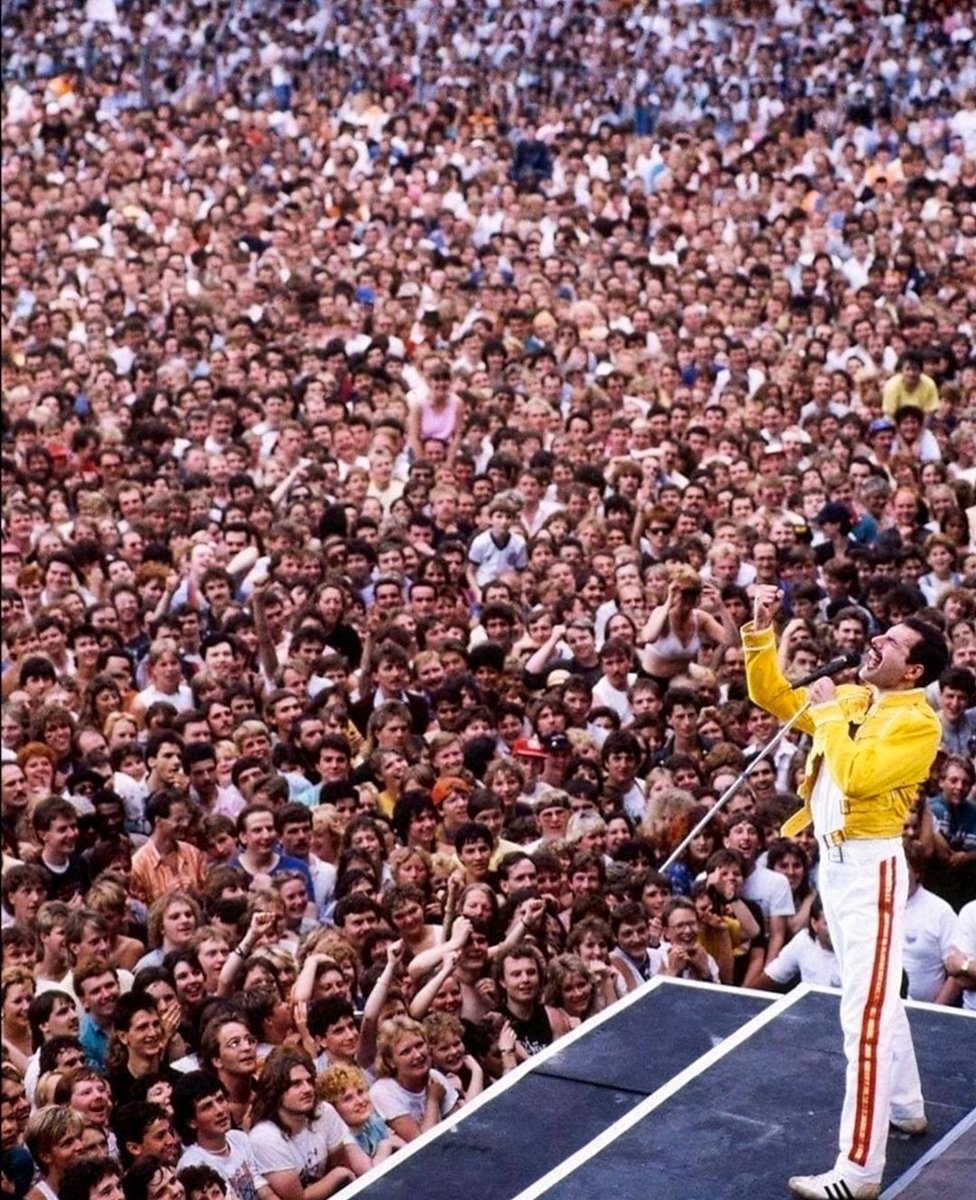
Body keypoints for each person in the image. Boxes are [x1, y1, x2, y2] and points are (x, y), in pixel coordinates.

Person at [743, 584, 947, 1200]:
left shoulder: (918, 723)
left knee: (864, 1016)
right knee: (877, 997)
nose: (875, 639)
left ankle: (858, 1171)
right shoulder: (855, 695)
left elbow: (857, 777)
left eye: (893, 642)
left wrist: (830, 713)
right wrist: (761, 630)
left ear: (912, 671)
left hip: (869, 869)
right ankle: (907, 1105)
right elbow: (772, 695)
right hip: (834, 864)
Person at [247, 1047, 369, 1197]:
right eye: (296, 1084)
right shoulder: (265, 1137)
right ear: (276, 1091)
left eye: (309, 1081)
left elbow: (341, 1169)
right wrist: (338, 1175)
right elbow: (298, 1199)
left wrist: (339, 1174)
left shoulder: (324, 1111)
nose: (307, 1089)